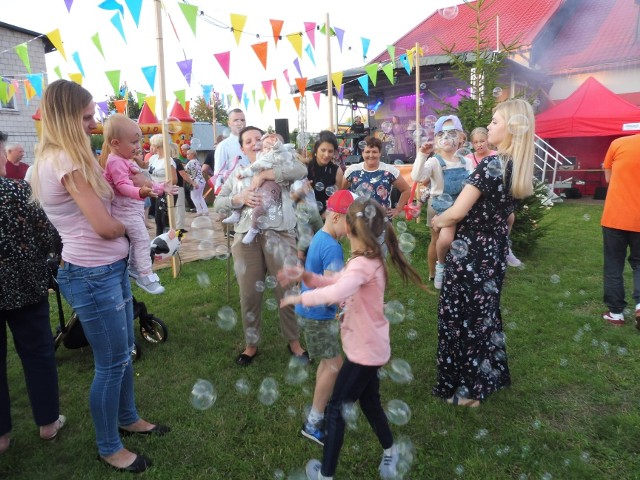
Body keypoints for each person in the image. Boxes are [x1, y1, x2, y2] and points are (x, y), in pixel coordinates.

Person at [31, 79, 168, 473]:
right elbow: (105, 227)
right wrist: (132, 231)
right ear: (65, 118)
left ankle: (128, 417)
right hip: (92, 274)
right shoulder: (64, 162)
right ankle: (109, 446)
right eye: (87, 117)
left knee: (123, 352)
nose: (95, 124)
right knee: (109, 362)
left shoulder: (71, 156)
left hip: (106, 270)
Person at [279, 198, 425, 480]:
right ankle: (391, 452)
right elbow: (336, 282)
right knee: (370, 402)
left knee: (335, 409)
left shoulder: (361, 265)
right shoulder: (367, 259)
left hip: (363, 353)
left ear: (347, 226)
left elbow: (335, 293)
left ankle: (326, 474)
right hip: (370, 347)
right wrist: (308, 276)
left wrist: (300, 297)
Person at [431, 99, 535, 407]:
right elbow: (508, 217)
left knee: (462, 316)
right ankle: (487, 377)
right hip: (493, 249)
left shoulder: (492, 164)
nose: (489, 127)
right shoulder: (517, 167)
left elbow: (457, 212)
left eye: (495, 122)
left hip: (470, 252)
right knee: (484, 316)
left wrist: (438, 220)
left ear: (512, 129)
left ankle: (468, 391)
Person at [213, 126, 308, 366]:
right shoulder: (238, 173)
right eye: (248, 141)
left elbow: (302, 169)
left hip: (280, 234)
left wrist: (266, 175)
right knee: (249, 294)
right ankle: (251, 344)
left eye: (258, 138)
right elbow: (218, 203)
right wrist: (239, 198)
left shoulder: (281, 164)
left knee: (286, 290)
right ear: (243, 147)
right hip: (246, 239)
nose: (255, 143)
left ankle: (294, 341)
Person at [0, 130, 64, 455]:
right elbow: (47, 234)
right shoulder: (15, 190)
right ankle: (48, 422)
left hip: (23, 284)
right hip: (25, 285)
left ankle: (2, 436)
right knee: (38, 352)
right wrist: (53, 254)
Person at [279, 190, 357, 447]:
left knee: (330, 363)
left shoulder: (320, 239)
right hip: (319, 315)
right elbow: (331, 293)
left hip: (311, 313)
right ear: (336, 217)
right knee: (333, 365)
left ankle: (320, 410)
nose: (352, 230)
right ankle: (313, 422)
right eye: (350, 223)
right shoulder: (333, 248)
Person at [101, 114, 177, 294]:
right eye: (134, 142)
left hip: (132, 210)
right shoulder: (115, 161)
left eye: (138, 141)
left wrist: (159, 187)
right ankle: (144, 274)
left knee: (138, 240)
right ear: (116, 143)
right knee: (142, 240)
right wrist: (140, 192)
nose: (138, 146)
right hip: (124, 211)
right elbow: (123, 185)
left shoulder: (124, 160)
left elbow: (141, 182)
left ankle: (134, 267)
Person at [412, 115, 474, 289]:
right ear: (436, 140)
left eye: (452, 133)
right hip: (439, 206)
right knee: (440, 240)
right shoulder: (434, 161)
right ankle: (437, 270)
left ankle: (459, 273)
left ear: (462, 138)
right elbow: (417, 177)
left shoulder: (466, 162)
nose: (446, 137)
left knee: (462, 241)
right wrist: (422, 154)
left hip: (462, 205)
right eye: (441, 134)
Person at [600, 133, 640, 327]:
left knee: (613, 265)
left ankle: (616, 314)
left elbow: (609, 178)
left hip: (615, 216)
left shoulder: (618, 144)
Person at [467, 127, 522, 267]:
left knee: (510, 216)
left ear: (487, 141)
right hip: (476, 199)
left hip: (494, 198)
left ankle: (505, 246)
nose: (479, 144)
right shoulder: (467, 158)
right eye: (475, 142)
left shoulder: (496, 155)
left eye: (482, 141)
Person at [342, 136, 410, 218]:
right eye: (367, 152)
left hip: (381, 219)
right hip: (357, 219)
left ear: (380, 153)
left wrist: (398, 209)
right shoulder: (353, 170)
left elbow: (406, 190)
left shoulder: (389, 170)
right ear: (362, 153)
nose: (371, 155)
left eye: (374, 152)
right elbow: (341, 191)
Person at [148, 134, 178, 237]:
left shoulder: (168, 160)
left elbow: (174, 179)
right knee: (158, 219)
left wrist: (162, 186)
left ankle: (169, 241)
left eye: (152, 144)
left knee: (165, 219)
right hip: (156, 192)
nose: (150, 147)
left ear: (157, 146)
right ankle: (159, 240)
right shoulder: (153, 158)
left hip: (167, 192)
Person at [307, 131, 344, 216]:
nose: (326, 155)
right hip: (306, 217)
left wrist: (323, 218)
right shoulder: (305, 167)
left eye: (330, 151)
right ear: (316, 149)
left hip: (327, 218)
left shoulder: (337, 171)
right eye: (323, 150)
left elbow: (336, 199)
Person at [184, 148, 208, 216]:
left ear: (192, 155)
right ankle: (205, 210)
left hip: (196, 182)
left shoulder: (191, 162)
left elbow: (184, 170)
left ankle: (199, 210)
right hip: (201, 181)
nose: (187, 155)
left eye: (188, 154)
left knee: (194, 197)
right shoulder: (197, 161)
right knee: (200, 196)